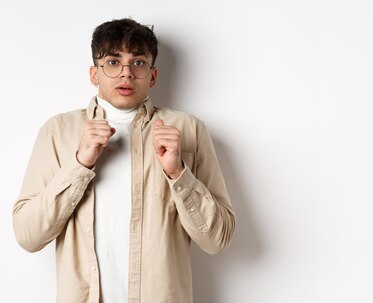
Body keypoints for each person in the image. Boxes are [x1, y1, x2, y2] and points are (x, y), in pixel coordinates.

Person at [12, 18, 235, 303]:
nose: (126, 74)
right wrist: (80, 164)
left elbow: (218, 239)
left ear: (153, 76)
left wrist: (178, 173)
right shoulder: (58, 132)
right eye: (113, 62)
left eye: (138, 63)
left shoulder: (187, 130)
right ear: (94, 74)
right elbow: (28, 235)